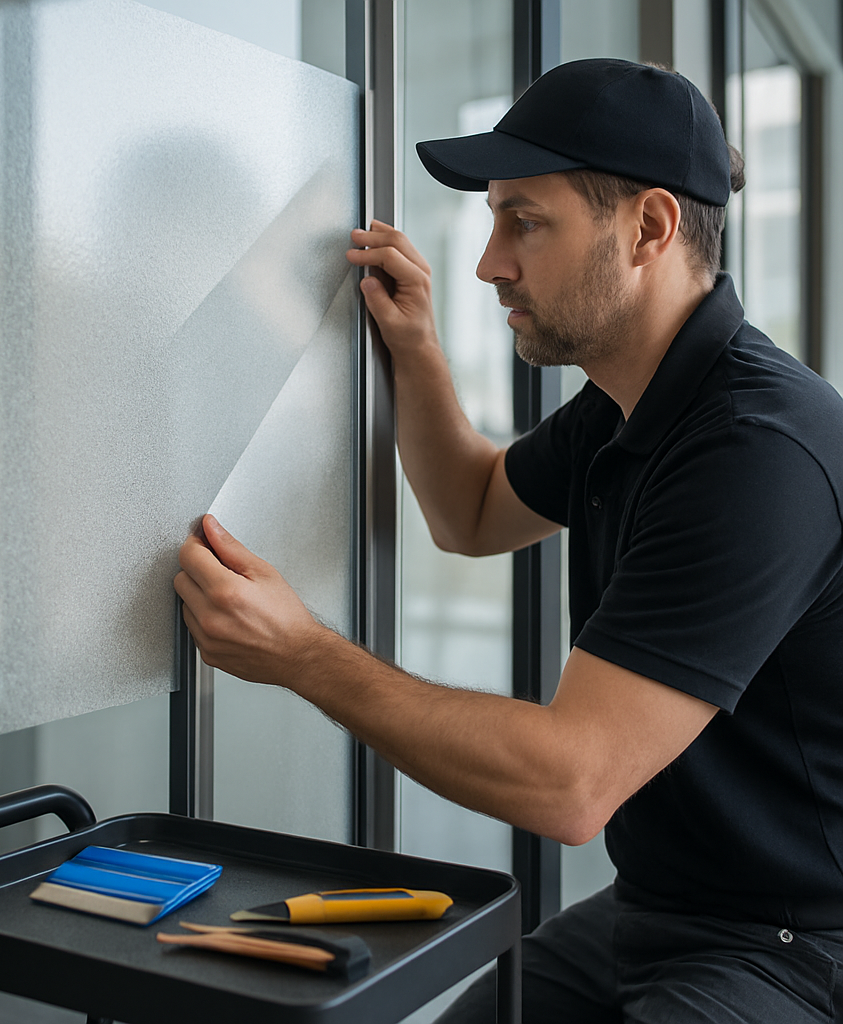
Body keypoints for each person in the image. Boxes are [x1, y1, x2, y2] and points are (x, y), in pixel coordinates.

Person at [175, 58, 843, 1022]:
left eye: (524, 221)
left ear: (649, 228)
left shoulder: (756, 448)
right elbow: (473, 510)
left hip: (794, 945)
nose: (490, 262)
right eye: (494, 220)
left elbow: (571, 783)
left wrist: (303, 655)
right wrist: (416, 347)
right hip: (657, 907)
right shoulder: (630, 401)